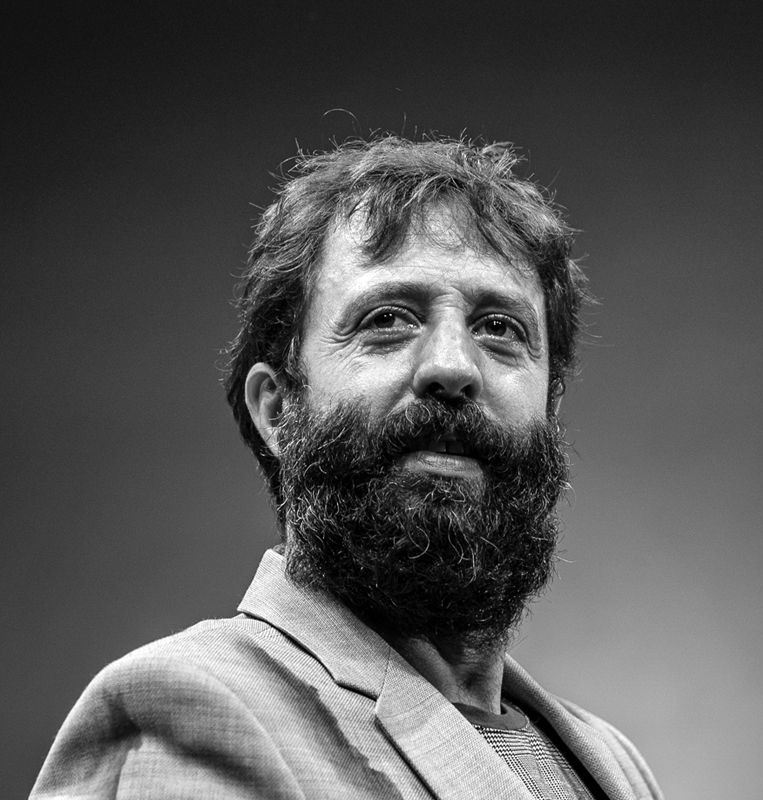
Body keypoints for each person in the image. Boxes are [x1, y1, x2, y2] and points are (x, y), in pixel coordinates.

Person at [31, 135, 663, 799]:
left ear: (551, 407)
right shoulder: (196, 706)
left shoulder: (614, 764)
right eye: (388, 318)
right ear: (278, 410)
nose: (453, 365)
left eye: (500, 328)